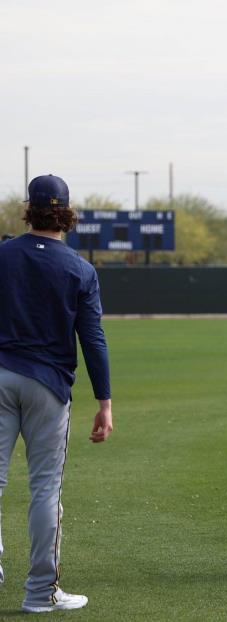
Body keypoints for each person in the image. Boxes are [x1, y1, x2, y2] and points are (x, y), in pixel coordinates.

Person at [0, 174, 113, 613]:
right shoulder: (80, 269)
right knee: (45, 490)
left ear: (28, 209)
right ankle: (39, 594)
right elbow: (93, 341)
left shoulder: (3, 256)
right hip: (47, 386)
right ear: (66, 212)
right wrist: (104, 402)